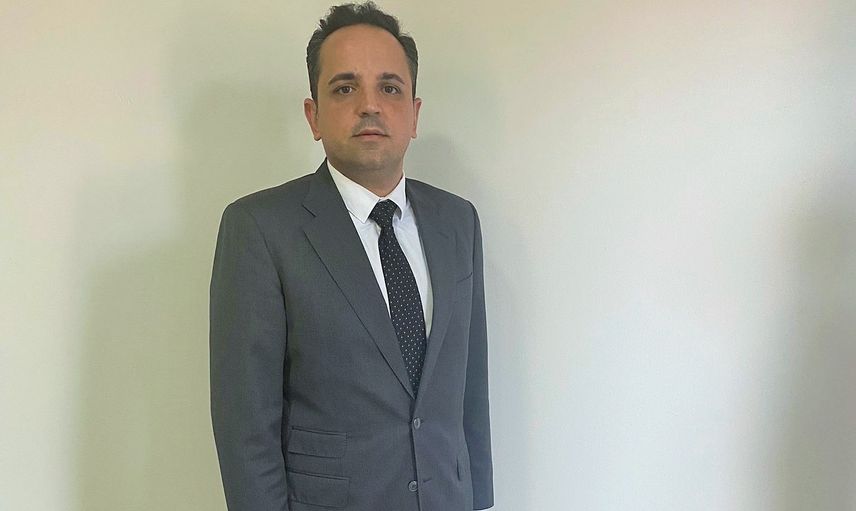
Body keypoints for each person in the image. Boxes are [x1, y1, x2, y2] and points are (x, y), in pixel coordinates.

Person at [209, 3, 493, 510]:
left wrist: (477, 499)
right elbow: (245, 427)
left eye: (390, 88)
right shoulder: (260, 229)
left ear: (414, 114)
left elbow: (470, 390)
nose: (370, 105)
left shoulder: (457, 222)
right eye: (345, 88)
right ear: (313, 115)